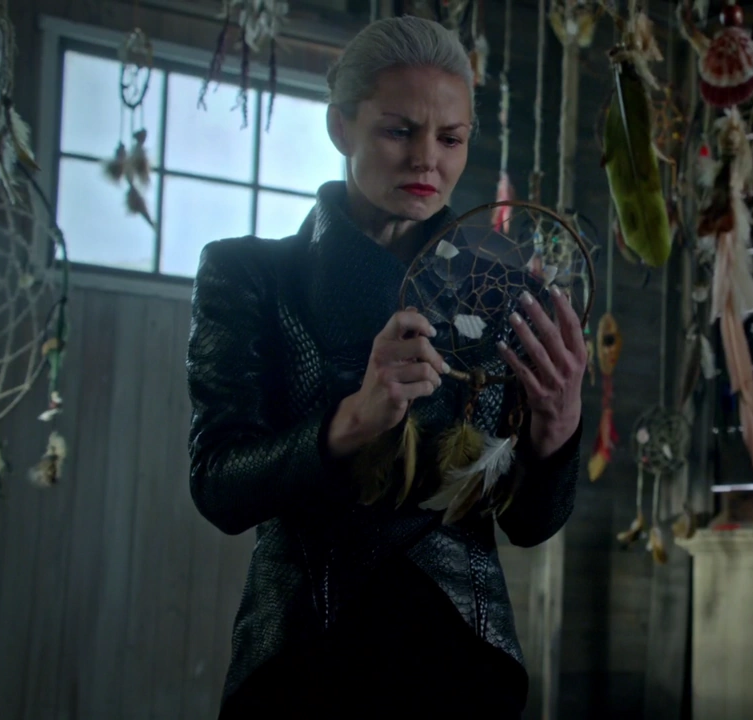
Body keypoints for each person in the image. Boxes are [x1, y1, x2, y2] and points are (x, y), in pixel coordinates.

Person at [185, 15, 585, 718]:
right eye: (399, 131)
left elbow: (528, 525)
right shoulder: (251, 276)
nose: (426, 160)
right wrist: (350, 421)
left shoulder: (500, 288)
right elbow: (219, 487)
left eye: (451, 138)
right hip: (301, 655)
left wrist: (555, 436)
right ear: (341, 127)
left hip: (462, 659)